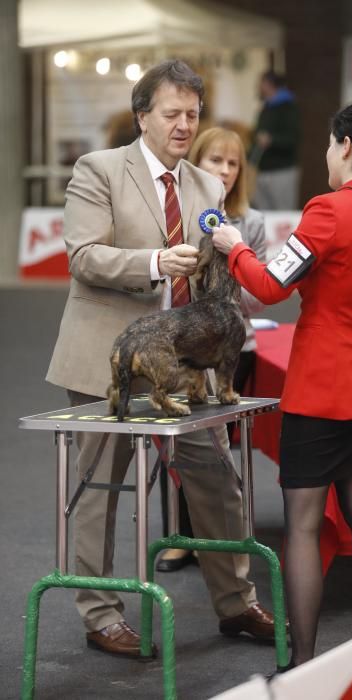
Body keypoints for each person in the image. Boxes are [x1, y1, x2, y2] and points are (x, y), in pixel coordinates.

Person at [46, 59, 277, 659]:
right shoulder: (97, 170)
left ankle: (237, 602)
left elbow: (217, 275)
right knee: (99, 490)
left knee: (217, 482)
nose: (182, 125)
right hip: (110, 360)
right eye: (171, 113)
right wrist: (153, 262)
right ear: (142, 114)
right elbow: (83, 256)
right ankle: (100, 614)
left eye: (192, 115)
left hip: (186, 369)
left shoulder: (206, 185)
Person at [212, 100, 352, 668]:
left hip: (321, 390)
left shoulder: (328, 211)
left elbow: (271, 284)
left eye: (331, 146)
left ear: (346, 147)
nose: (327, 156)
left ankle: (303, 665)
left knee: (302, 527)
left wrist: (232, 245)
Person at [156, 126, 266, 572]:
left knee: (220, 454)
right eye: (214, 160)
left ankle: (222, 543)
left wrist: (234, 258)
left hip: (233, 347)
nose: (223, 170)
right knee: (174, 445)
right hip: (182, 347)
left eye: (232, 163)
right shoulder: (176, 215)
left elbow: (260, 295)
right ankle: (180, 535)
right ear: (194, 164)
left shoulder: (250, 222)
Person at [250, 70, 300, 211]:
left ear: (269, 84)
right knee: (262, 212)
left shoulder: (289, 107)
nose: (258, 86)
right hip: (262, 171)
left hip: (282, 171)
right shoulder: (266, 107)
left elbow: (292, 139)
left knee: (283, 214)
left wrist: (271, 140)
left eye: (261, 83)